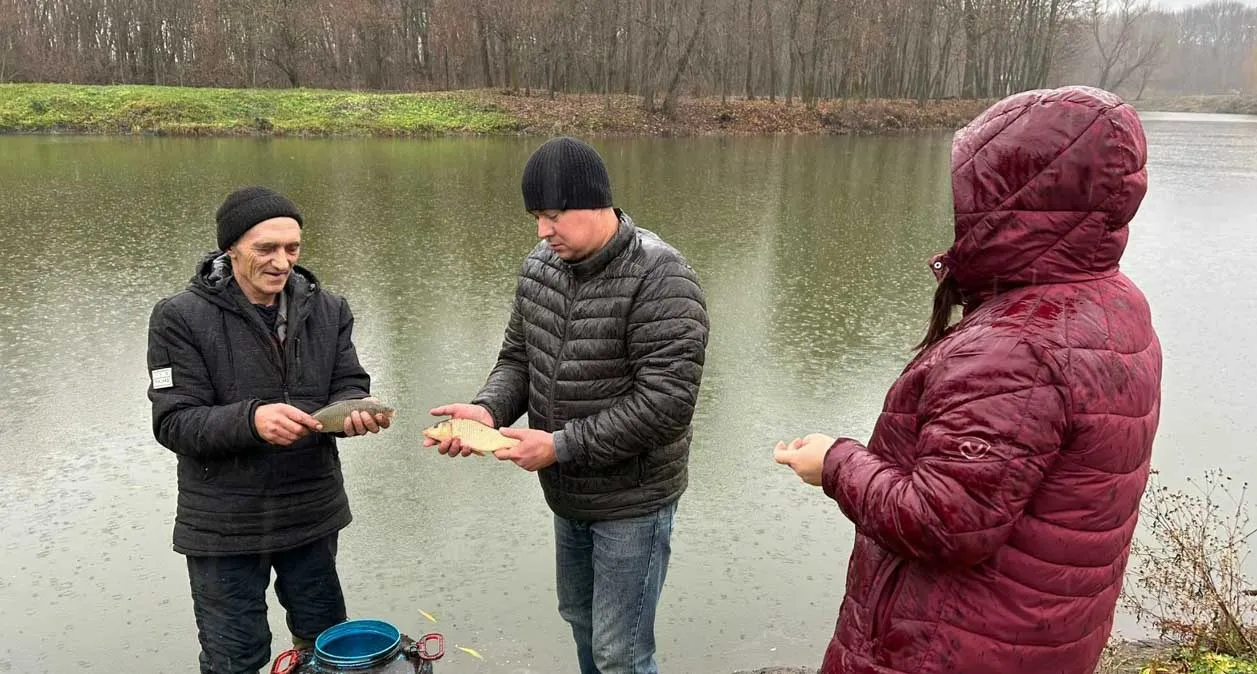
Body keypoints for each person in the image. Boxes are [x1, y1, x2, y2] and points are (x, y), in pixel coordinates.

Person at [772, 85, 1163, 674]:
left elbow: (943, 522)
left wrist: (833, 463)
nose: (960, 207)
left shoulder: (1017, 348)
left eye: (976, 188)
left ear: (1020, 196)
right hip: (1037, 639)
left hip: (947, 647)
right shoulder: (1111, 304)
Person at [423, 136, 710, 674]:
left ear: (597, 203)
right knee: (579, 618)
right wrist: (488, 411)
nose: (542, 231)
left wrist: (560, 445)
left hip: (633, 499)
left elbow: (666, 404)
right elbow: (518, 359)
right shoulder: (540, 266)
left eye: (553, 216)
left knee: (620, 652)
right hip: (568, 492)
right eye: (536, 217)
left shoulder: (662, 278)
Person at [146, 186, 392, 674]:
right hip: (224, 526)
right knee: (235, 659)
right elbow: (173, 422)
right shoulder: (178, 317)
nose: (282, 262)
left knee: (325, 646)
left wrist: (354, 413)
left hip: (311, 511)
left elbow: (348, 383)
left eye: (292, 248)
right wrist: (252, 421)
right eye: (267, 248)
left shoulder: (329, 309)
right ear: (231, 249)